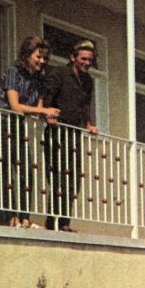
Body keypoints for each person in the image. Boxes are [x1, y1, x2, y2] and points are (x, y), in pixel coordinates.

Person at [0, 36, 59, 228]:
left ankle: (24, 218)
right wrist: (44, 111)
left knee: (27, 171)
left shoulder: (39, 80)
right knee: (4, 171)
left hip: (18, 127)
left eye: (45, 58)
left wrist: (47, 116)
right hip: (1, 123)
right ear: (27, 54)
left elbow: (37, 110)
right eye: (38, 56)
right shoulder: (14, 73)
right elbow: (15, 106)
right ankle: (9, 217)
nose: (42, 61)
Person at [43, 39, 99, 232]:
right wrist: (47, 114)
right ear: (73, 57)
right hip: (56, 131)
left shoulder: (87, 81)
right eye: (83, 59)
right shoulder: (59, 73)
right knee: (58, 178)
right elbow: (47, 97)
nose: (87, 63)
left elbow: (85, 105)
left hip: (74, 133)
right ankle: (52, 223)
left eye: (89, 60)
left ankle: (65, 223)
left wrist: (89, 124)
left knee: (73, 178)